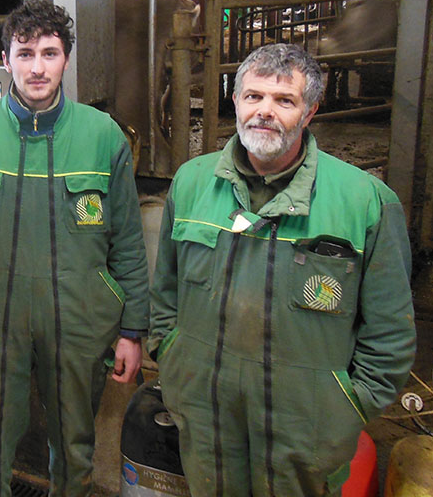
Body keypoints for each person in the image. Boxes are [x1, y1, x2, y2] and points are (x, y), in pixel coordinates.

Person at [149, 43, 416, 497]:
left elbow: (390, 334)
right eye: (253, 97)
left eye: (284, 100)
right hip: (205, 413)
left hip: (305, 428)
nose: (264, 112)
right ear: (235, 102)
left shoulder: (364, 201)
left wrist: (345, 406)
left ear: (310, 112)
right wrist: (171, 357)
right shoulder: (192, 182)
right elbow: (165, 292)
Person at [0, 0, 149, 497]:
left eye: (49, 53)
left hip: (78, 318)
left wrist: (133, 328)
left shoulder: (102, 136)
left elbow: (129, 241)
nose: (36, 67)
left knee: (75, 448)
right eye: (24, 53)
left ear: (66, 58)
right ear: (5, 60)